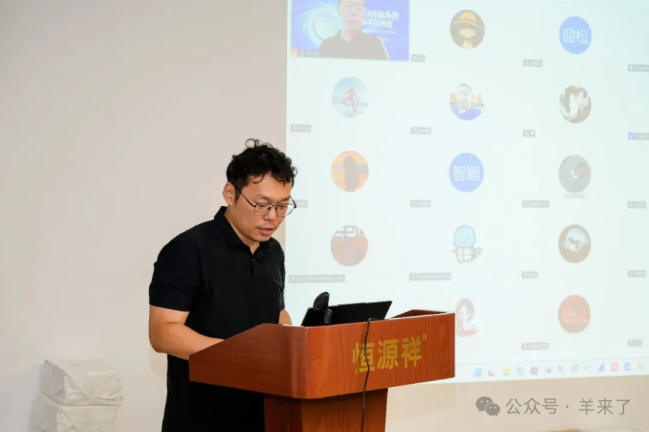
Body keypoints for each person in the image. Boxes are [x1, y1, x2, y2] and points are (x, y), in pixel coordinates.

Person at [148, 139, 298, 431]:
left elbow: (276, 312)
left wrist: (292, 342)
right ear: (230, 193)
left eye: (282, 206)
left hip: (265, 412)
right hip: (202, 416)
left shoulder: (273, 251)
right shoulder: (188, 249)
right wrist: (241, 357)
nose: (272, 217)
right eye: (262, 205)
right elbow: (163, 332)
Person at [319, 0, 390, 60]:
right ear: (338, 12)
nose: (354, 12)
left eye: (359, 7)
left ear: (364, 12)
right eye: (348, 6)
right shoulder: (327, 46)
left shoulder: (374, 44)